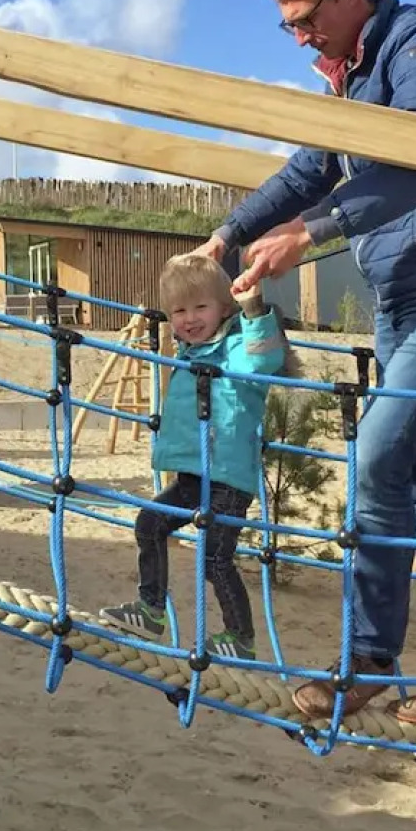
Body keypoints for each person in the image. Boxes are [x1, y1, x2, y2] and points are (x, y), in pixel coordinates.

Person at [192, 0, 416, 725]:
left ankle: (369, 656)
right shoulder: (343, 76)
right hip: (402, 294)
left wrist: (311, 233)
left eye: (307, 18)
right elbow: (311, 168)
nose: (299, 36)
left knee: (377, 452)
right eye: (288, 26)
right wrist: (229, 234)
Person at [100, 253, 300, 662]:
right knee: (149, 523)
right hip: (195, 474)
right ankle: (152, 610)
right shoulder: (190, 353)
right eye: (178, 311)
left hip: (228, 478)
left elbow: (264, 360)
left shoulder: (235, 347)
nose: (189, 318)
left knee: (215, 559)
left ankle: (240, 637)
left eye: (200, 307)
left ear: (224, 308)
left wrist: (254, 310)